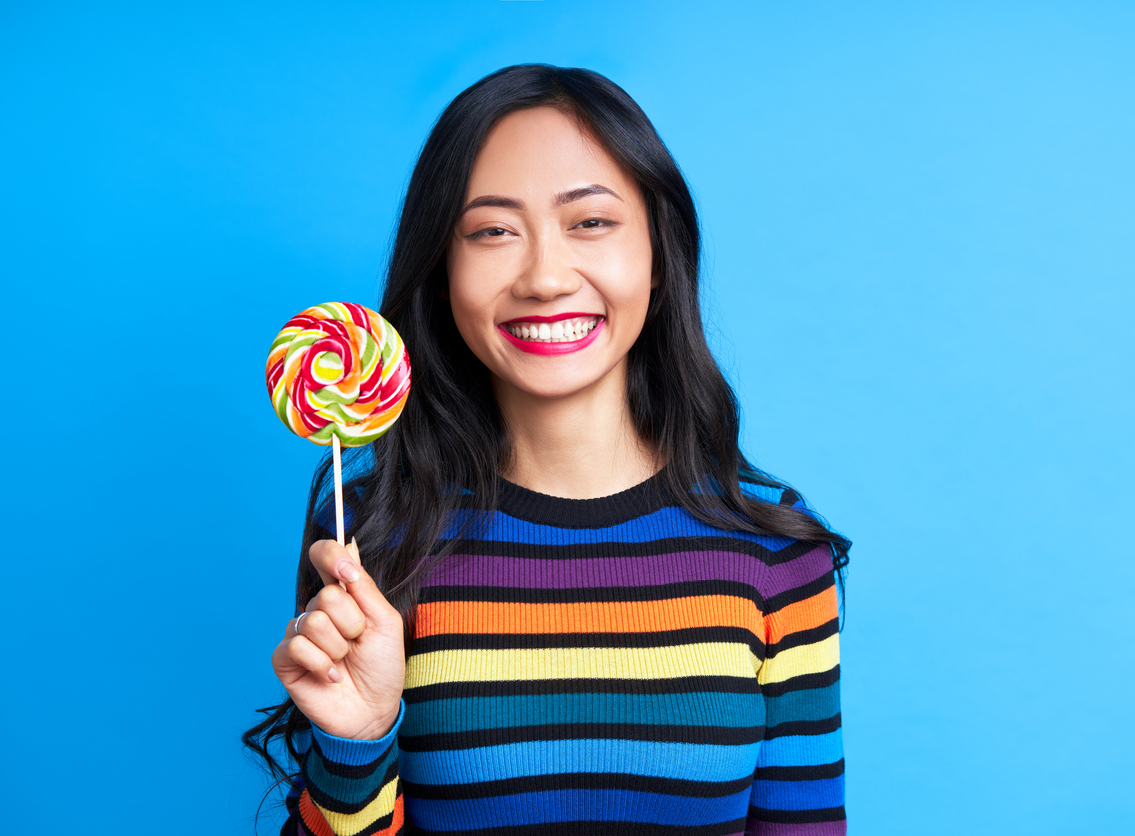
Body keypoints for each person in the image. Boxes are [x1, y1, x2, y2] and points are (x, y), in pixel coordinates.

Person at [244, 63, 851, 835]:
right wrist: (353, 745)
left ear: (659, 257)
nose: (543, 276)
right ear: (443, 271)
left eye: (590, 222)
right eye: (493, 231)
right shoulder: (373, 533)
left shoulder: (770, 544)